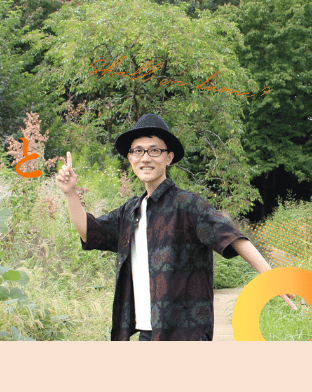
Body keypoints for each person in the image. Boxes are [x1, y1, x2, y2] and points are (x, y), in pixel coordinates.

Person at [56, 114, 296, 341]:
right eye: (138, 151)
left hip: (185, 333)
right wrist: (70, 193)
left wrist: (272, 278)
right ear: (130, 158)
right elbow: (91, 232)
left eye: (154, 151)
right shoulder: (130, 211)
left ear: (169, 157)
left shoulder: (188, 204)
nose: (145, 158)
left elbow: (231, 237)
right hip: (146, 331)